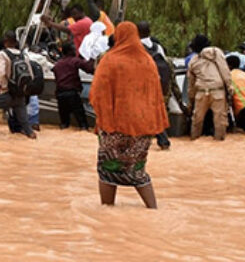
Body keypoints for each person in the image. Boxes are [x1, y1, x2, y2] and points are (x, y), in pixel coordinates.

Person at [90, 22, 169, 209]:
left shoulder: (109, 60)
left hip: (114, 125)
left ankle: (107, 209)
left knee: (108, 168)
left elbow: (97, 93)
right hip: (142, 126)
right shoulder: (147, 61)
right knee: (137, 168)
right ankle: (153, 209)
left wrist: (103, 118)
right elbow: (156, 94)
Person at [137, 21, 188, 150]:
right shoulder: (157, 46)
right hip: (160, 85)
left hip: (143, 85)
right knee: (156, 113)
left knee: (142, 112)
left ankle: (144, 141)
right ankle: (163, 141)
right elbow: (166, 65)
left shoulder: (136, 46)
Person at [0, 31, 36, 139]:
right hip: (20, 95)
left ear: (5, 41)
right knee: (26, 125)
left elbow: (1, 73)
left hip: (6, 93)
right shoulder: (24, 55)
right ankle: (32, 137)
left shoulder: (2, 54)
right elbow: (31, 75)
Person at [187, 35, 233, 141]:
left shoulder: (193, 61)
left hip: (201, 92)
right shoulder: (216, 52)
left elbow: (191, 83)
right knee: (220, 120)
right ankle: (219, 141)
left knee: (197, 120)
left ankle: (194, 139)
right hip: (218, 91)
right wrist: (229, 87)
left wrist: (191, 100)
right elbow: (224, 71)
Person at [52, 42, 95, 130]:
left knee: (64, 123)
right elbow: (89, 69)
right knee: (82, 122)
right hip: (72, 93)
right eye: (73, 49)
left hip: (60, 94)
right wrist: (92, 59)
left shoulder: (57, 64)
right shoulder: (74, 61)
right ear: (69, 51)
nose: (75, 51)